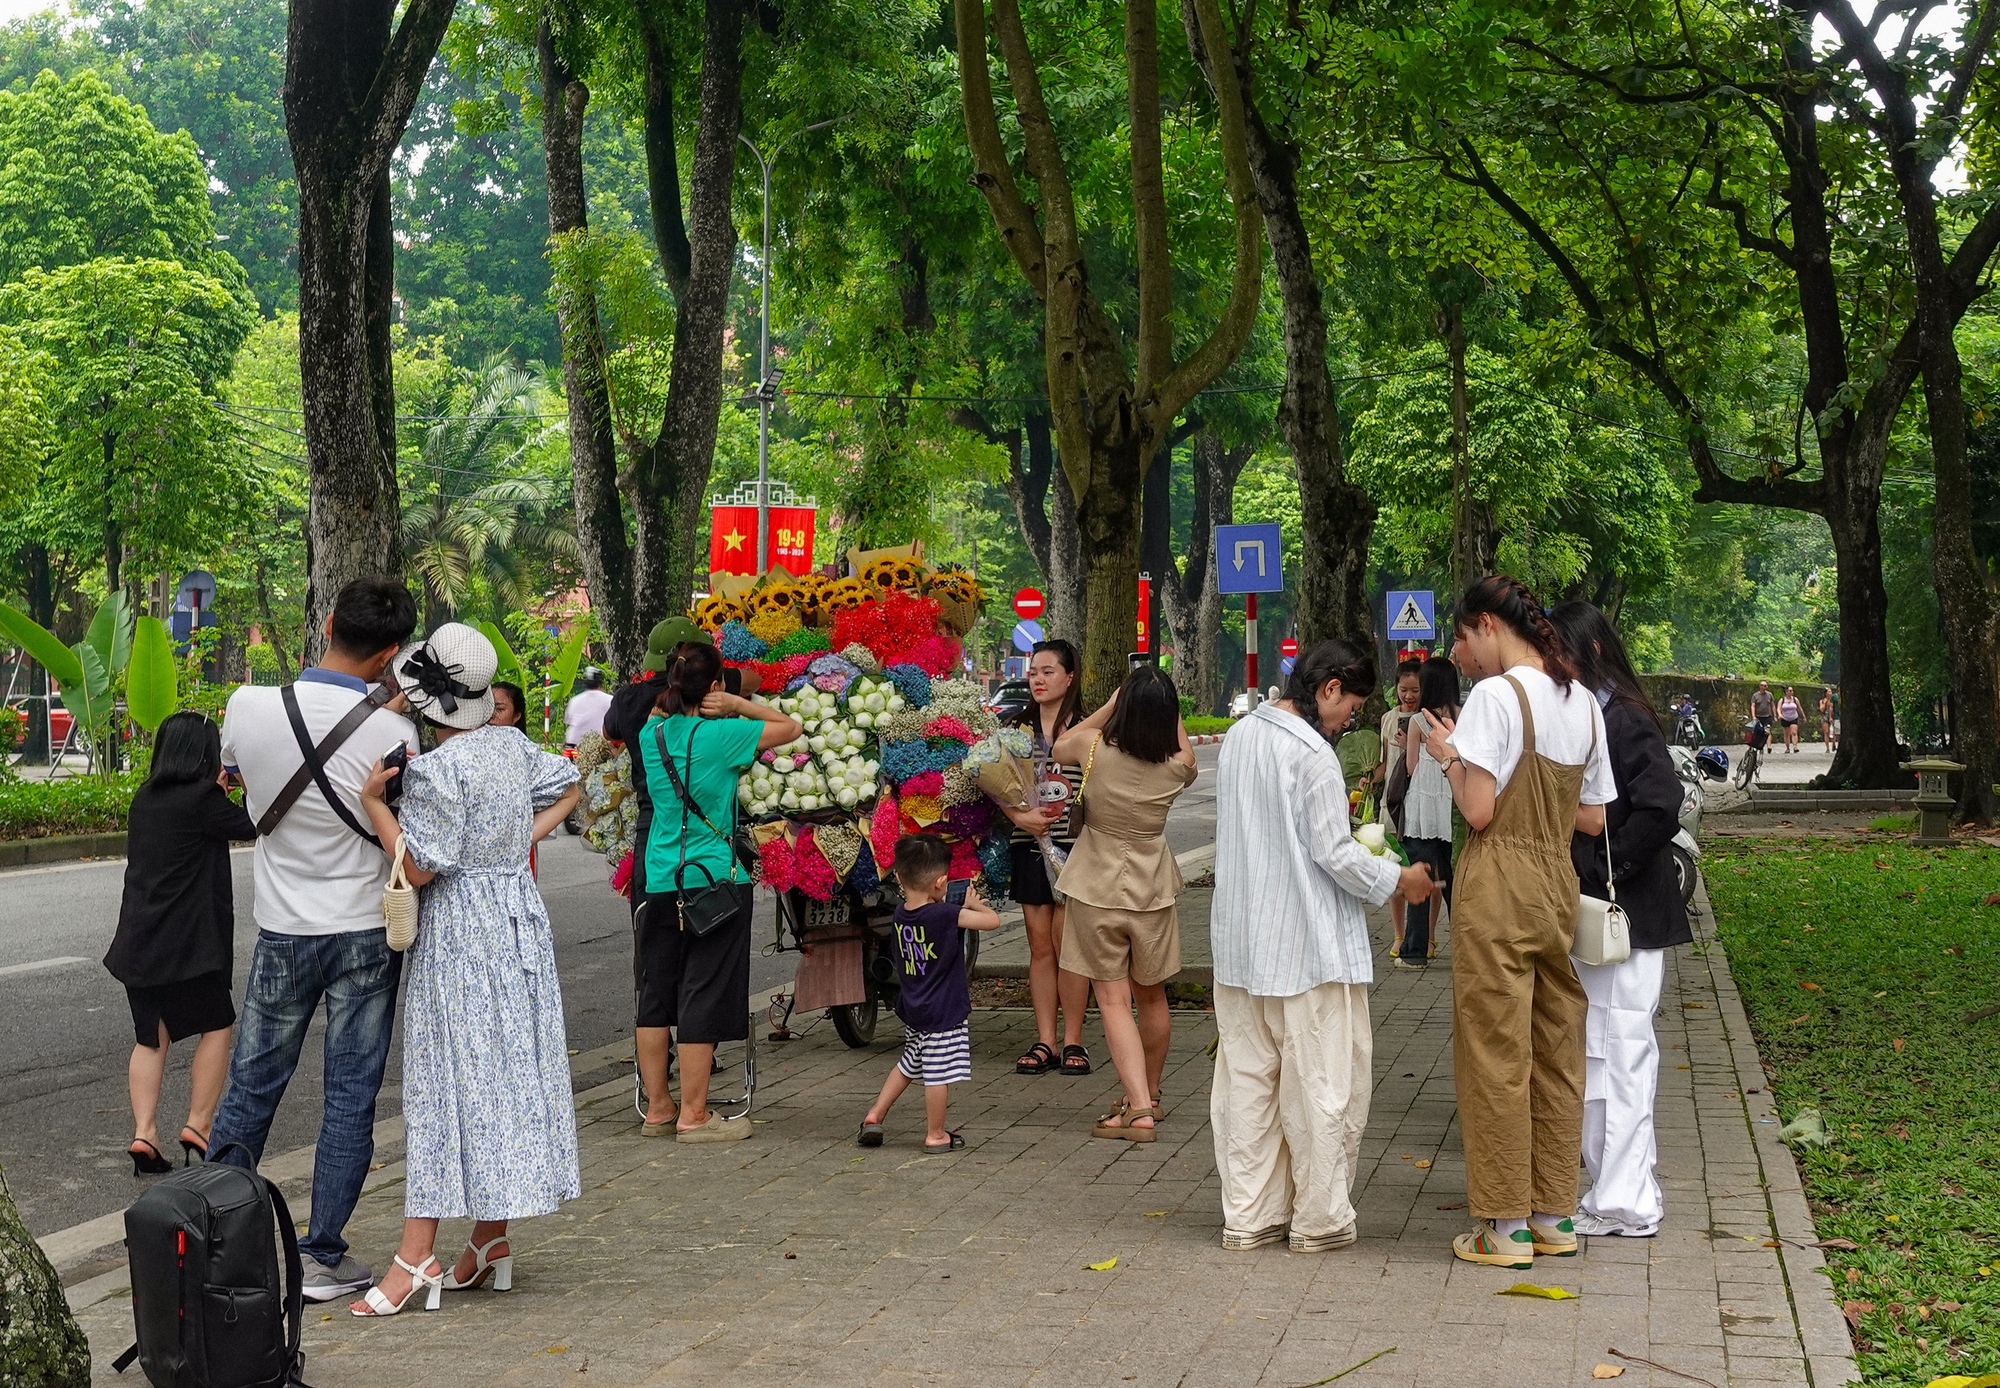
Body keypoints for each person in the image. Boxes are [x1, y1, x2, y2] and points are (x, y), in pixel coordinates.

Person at [347, 623, 582, 1317]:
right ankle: (488, 1240)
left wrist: (374, 808)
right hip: (517, 921)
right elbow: (567, 777)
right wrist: (514, 845)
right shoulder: (512, 748)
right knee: (507, 1073)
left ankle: (415, 1255)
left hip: (459, 932)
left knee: (445, 1081)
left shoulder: (436, 771)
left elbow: (419, 867)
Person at [209, 577, 419, 1302]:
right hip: (367, 930)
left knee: (248, 1092)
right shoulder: (397, 734)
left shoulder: (247, 704)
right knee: (350, 1097)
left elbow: (237, 777)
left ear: (328, 621)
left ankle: (214, 1249)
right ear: (390, 653)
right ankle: (323, 1257)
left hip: (284, 930)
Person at [1210, 640, 1438, 1252]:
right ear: (1328, 687)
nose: (1348, 722)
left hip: (1240, 945)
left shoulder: (1240, 737)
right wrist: (1400, 880)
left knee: (1247, 1088)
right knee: (1320, 1087)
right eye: (1351, 708)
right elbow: (1334, 853)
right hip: (1306, 947)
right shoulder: (1311, 753)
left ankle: (1249, 1217)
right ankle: (1318, 1219)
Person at [1420, 575, 1614, 1269]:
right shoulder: (1583, 700)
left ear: (1485, 625)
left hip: (1497, 880)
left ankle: (1504, 1229)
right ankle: (1554, 1214)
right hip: (1557, 882)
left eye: (1463, 639)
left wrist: (1447, 758)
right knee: (1556, 1053)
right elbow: (1592, 816)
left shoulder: (1495, 698)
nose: (1460, 653)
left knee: (1495, 1054)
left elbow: (1476, 812)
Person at [1548, 602, 1691, 1241]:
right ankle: (1616, 1188)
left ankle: (1630, 1200)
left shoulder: (1624, 716)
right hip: (1604, 911)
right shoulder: (1593, 713)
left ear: (1592, 652)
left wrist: (1611, 863)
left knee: (1625, 1050)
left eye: (1561, 655)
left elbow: (1662, 807)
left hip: (1630, 912)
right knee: (1600, 1053)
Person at [633, 642, 798, 1141]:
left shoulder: (651, 734)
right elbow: (791, 729)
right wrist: (738, 703)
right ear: (714, 687)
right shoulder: (723, 734)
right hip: (712, 881)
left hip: (659, 877)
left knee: (656, 994)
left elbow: (662, 708)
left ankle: (658, 1108)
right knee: (701, 993)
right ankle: (695, 1115)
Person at [103, 711, 258, 1175]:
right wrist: (246, 782)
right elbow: (252, 824)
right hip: (190, 947)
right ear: (205, 756)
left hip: (138, 942)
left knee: (151, 1037)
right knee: (217, 1024)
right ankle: (198, 1125)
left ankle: (144, 1132)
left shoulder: (144, 798)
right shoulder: (202, 800)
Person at [1052, 664, 1199, 1140]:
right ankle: (1149, 1094)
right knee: (1152, 995)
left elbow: (1059, 743)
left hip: (1096, 883)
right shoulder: (1177, 768)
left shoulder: (1093, 748)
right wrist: (1167, 708)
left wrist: (1112, 704)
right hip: (1152, 887)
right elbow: (1186, 751)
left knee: (1112, 997)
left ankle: (1137, 1109)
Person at [856, 834, 1002, 1152]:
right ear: (941, 882)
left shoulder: (900, 916)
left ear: (898, 878)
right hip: (943, 1010)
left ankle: (874, 1114)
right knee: (938, 1073)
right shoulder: (945, 915)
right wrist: (973, 905)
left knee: (910, 1063)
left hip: (914, 1006)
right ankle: (936, 1133)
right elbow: (992, 922)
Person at [1000, 639, 1093, 1078]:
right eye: (1033, 671)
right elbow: (994, 788)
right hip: (1029, 847)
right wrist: (1019, 816)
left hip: (1075, 850)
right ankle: (1045, 1041)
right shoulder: (1015, 727)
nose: (1037, 678)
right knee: (1039, 947)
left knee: (1067, 946)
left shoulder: (1089, 728)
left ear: (1070, 676)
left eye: (1048, 671)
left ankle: (1074, 1041)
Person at [1397, 657, 1461, 969]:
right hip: (1453, 805)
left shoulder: (1418, 723)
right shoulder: (1463, 718)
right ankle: (1466, 950)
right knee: (1455, 881)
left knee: (1419, 877)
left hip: (1422, 811)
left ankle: (1414, 951)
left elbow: (1410, 767)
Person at [1377, 658, 1424, 955]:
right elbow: (1384, 763)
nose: (1408, 696)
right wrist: (1370, 778)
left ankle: (1424, 936)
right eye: (1404, 689)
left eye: (1415, 690)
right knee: (1393, 868)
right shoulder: (1387, 719)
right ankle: (1397, 934)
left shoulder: (1427, 720)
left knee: (1420, 867)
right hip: (1389, 804)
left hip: (1418, 804)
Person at [564, 666, 611, 747]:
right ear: (601, 683)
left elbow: (568, 721)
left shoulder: (574, 700)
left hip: (574, 744)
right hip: (601, 746)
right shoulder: (610, 700)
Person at [1750, 681, 1775, 745]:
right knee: (1758, 732)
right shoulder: (1755, 695)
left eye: (1766, 686)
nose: (1766, 687)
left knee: (1768, 731)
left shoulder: (1770, 695)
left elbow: (1772, 705)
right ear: (1760, 686)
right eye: (1764, 686)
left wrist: (1774, 715)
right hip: (1759, 716)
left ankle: (1769, 746)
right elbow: (1753, 706)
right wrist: (1753, 716)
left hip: (1768, 716)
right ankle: (1757, 745)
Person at [1778, 686, 1802, 752]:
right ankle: (1787, 747)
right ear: (1786, 692)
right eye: (1790, 691)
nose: (1791, 692)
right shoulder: (1782, 700)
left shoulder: (1795, 699)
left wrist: (1803, 716)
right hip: (1785, 718)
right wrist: (1780, 714)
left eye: (1792, 691)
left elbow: (1799, 708)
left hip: (1793, 717)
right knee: (1786, 734)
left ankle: (1795, 747)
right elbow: (1778, 708)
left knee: (1794, 732)